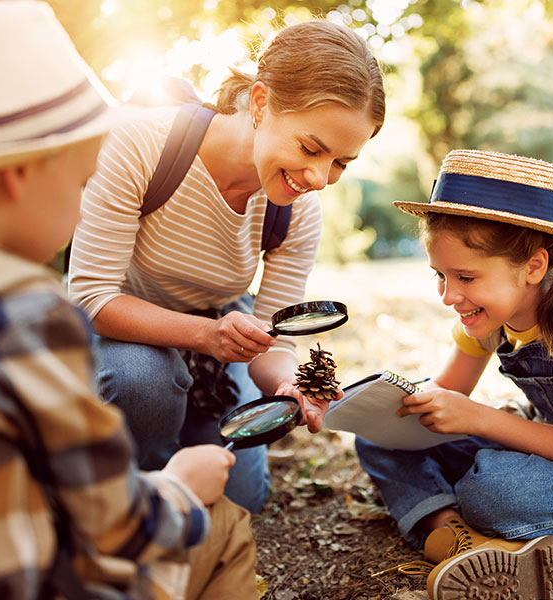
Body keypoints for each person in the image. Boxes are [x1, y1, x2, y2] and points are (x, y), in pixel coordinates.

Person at [0, 2, 257, 598]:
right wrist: (177, 484)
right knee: (227, 521)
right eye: (82, 181)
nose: (85, 204)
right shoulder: (19, 316)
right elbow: (115, 524)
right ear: (19, 175)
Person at [67, 19, 386, 514]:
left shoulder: (297, 208)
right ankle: (143, 496)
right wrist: (205, 335)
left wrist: (288, 383)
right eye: (311, 148)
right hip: (120, 327)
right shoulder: (142, 144)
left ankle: (168, 457)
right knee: (143, 380)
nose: (321, 178)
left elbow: (275, 339)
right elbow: (91, 298)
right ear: (259, 104)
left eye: (342, 162)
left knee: (239, 502)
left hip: (219, 324)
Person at [355, 149, 553, 600]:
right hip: (543, 449)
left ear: (534, 266)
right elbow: (446, 393)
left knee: (494, 488)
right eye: (440, 277)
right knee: (381, 438)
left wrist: (481, 419)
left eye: (465, 277)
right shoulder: (489, 320)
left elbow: (472, 414)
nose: (449, 296)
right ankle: (457, 536)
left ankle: (510, 531)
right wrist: (381, 404)